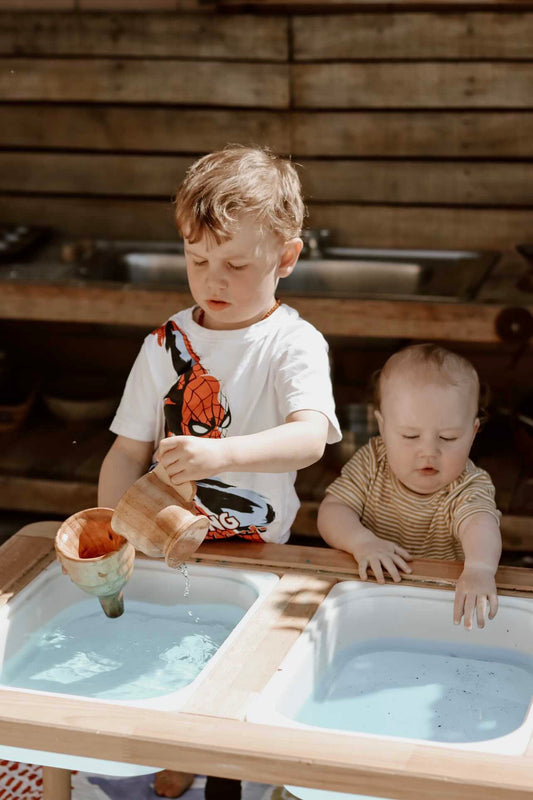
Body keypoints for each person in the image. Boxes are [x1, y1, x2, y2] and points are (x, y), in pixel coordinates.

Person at [98, 145, 341, 798]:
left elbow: (310, 437)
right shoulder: (164, 344)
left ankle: (222, 774)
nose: (215, 277)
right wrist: (113, 533)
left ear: (285, 259)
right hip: (167, 542)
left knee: (237, 683)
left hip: (257, 553)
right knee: (167, 658)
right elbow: (126, 452)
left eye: (236, 264)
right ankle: (177, 754)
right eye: (198, 259)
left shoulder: (292, 343)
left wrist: (221, 454)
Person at [318, 343, 502, 632]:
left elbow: (480, 523)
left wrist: (480, 568)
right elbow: (333, 509)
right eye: (410, 435)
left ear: (473, 431)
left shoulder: (468, 483)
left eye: (449, 437)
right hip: (371, 592)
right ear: (382, 425)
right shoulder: (372, 461)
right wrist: (361, 542)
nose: (428, 451)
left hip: (439, 601)